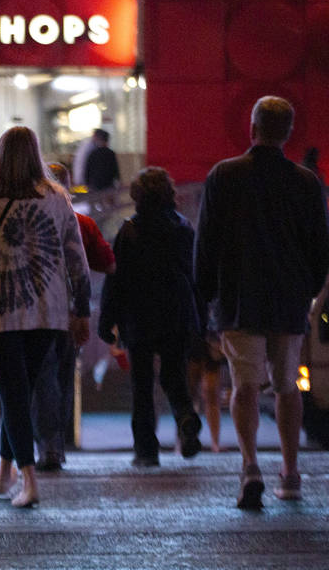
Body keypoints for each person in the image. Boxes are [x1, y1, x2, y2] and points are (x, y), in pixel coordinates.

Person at [194, 95, 329, 507]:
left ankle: (250, 465)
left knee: (245, 386)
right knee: (288, 387)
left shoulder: (223, 176)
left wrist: (205, 303)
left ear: (252, 128)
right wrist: (306, 291)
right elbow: (320, 251)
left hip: (239, 300)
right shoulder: (307, 183)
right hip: (288, 304)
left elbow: (207, 246)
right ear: (287, 133)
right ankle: (290, 473)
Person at [0, 126, 90, 509]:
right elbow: (76, 258)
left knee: (13, 393)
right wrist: (80, 310)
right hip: (48, 313)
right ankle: (5, 470)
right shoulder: (56, 197)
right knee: (20, 391)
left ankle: (28, 480)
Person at [98, 167, 203, 467]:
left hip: (140, 315)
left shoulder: (130, 230)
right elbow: (194, 276)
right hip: (177, 313)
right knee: (174, 377)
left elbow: (116, 279)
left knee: (142, 384)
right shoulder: (184, 228)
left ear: (138, 195)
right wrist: (201, 321)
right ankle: (185, 417)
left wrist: (108, 321)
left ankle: (146, 450)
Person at [31, 163, 116, 470]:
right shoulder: (82, 223)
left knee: (40, 377)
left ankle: (43, 444)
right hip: (68, 313)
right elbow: (107, 264)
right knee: (62, 378)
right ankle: (56, 444)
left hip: (34, 311)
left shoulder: (31, 220)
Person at [82, 128, 120, 193]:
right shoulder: (111, 153)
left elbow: (87, 170)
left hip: (95, 185)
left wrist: (87, 183)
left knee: (96, 201)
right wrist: (118, 180)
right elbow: (115, 169)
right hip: (108, 184)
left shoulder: (93, 153)